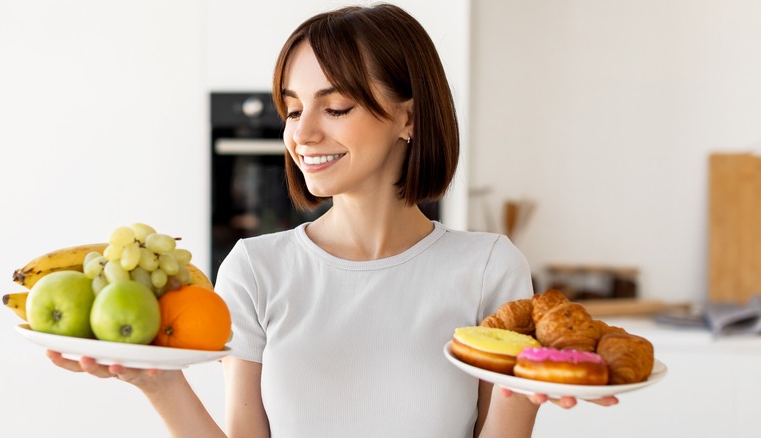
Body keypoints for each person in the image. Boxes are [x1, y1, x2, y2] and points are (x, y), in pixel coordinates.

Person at [47, 3, 616, 437]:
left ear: (407, 118)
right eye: (293, 108)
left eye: (335, 107)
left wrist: (529, 386)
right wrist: (161, 385)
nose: (303, 132)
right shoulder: (256, 269)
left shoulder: (489, 268)